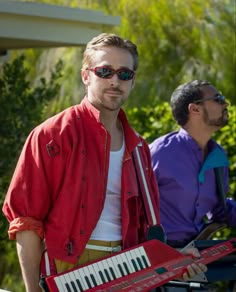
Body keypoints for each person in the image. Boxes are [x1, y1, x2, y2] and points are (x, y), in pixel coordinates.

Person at [2, 34, 206, 292]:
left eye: (124, 74)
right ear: (86, 75)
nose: (114, 81)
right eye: (105, 71)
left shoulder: (140, 147)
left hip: (129, 264)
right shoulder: (52, 135)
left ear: (132, 82)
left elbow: (146, 231)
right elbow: (27, 221)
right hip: (71, 266)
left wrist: (177, 259)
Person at [150, 80, 236, 248]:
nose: (225, 103)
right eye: (218, 99)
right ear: (195, 109)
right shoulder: (160, 153)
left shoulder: (218, 156)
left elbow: (219, 209)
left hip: (196, 253)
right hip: (158, 255)